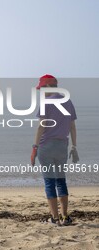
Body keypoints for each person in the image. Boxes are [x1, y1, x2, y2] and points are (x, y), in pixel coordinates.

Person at [31, 74, 78, 226]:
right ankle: (65, 217)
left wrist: (34, 147)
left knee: (49, 182)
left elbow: (41, 126)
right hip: (62, 146)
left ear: (47, 87)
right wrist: (74, 147)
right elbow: (72, 126)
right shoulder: (67, 101)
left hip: (46, 146)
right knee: (61, 181)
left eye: (41, 88)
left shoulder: (46, 102)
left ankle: (55, 218)